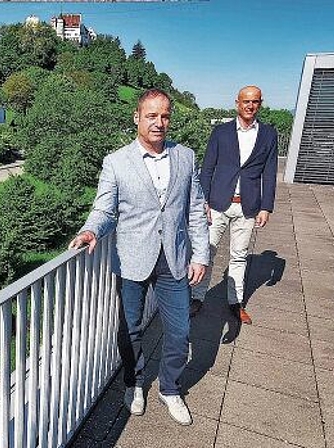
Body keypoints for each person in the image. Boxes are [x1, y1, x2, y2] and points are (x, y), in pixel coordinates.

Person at [69, 89, 209, 426]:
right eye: (151, 116)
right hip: (132, 259)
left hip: (174, 260)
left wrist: (201, 255)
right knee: (129, 329)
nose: (159, 123)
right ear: (137, 117)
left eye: (164, 116)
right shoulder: (116, 162)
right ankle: (134, 385)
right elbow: (104, 209)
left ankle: (170, 389)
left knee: (179, 330)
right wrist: (91, 231)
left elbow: (194, 210)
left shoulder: (186, 157)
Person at [190, 86, 278, 324]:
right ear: (237, 103)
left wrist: (266, 207)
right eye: (246, 101)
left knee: (239, 256)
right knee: (206, 251)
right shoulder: (221, 132)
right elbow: (207, 168)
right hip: (217, 203)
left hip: (248, 206)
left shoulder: (269, 135)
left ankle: (235, 303)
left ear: (260, 104)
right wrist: (203, 201)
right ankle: (197, 298)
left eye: (255, 101)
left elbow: (270, 173)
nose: (250, 105)